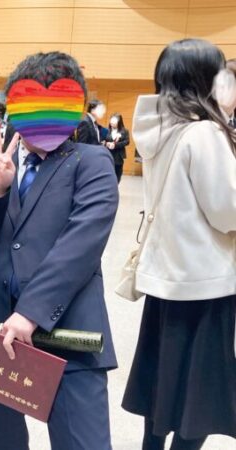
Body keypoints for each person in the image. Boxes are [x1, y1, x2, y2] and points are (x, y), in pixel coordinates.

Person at [0, 52, 119, 450]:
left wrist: (30, 312)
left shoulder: (91, 162)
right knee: (0, 441)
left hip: (71, 334)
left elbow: (81, 244)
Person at [122, 38, 236, 450]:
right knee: (199, 399)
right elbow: (228, 211)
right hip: (205, 284)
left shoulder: (160, 129)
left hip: (166, 281)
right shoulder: (205, 133)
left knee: (161, 389)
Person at [103, 113, 130, 183]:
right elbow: (102, 141)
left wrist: (116, 145)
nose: (112, 123)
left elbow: (127, 142)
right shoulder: (106, 130)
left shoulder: (124, 131)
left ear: (119, 122)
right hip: (108, 155)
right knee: (107, 174)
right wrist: (106, 144)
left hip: (118, 156)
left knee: (117, 175)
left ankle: (115, 186)